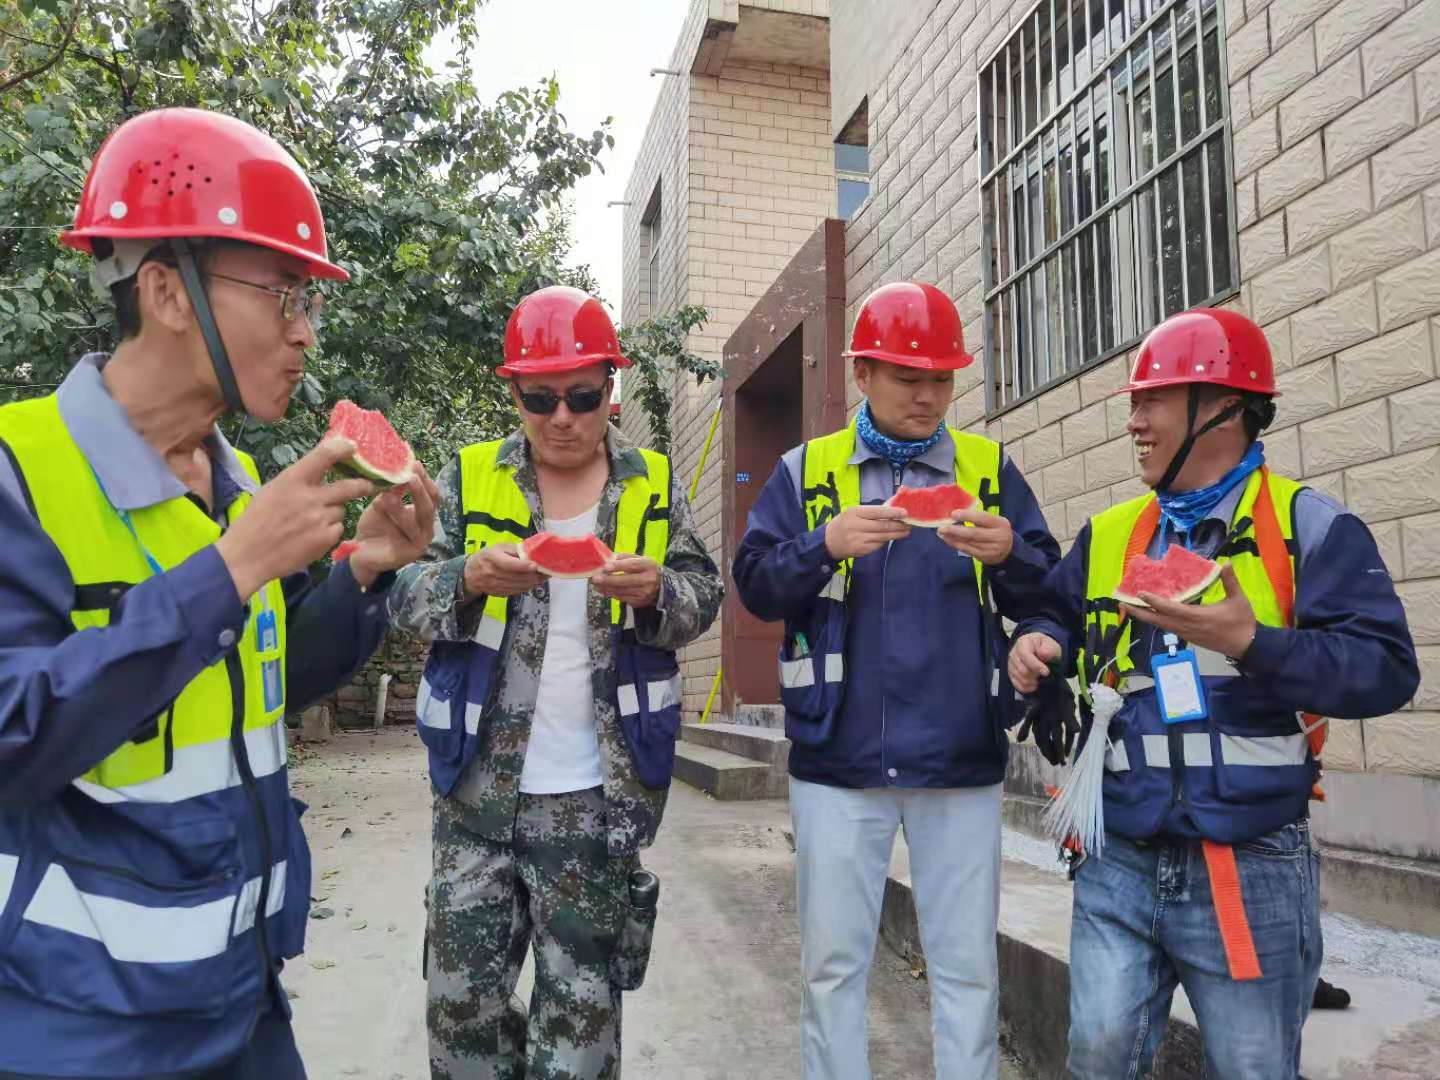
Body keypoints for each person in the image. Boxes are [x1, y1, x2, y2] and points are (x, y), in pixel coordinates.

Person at [0, 107, 439, 1079]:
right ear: (165, 289)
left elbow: (262, 686)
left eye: (308, 302)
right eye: (283, 296)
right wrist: (230, 573)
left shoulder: (235, 487)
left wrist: (363, 570)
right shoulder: (16, 473)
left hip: (243, 1000)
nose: (305, 333)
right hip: (81, 1027)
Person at [1009, 308, 1419, 1079]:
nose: (1133, 422)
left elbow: (1387, 668)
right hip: (1119, 851)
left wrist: (1252, 642)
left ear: (1223, 409)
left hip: (1251, 861)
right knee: (1096, 1054)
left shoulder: (1310, 527)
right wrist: (1037, 642)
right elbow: (1052, 610)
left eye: (1151, 402)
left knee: (1254, 1068)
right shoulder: (1111, 533)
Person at [387, 284, 723, 1080]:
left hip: (597, 804)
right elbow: (402, 596)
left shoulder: (653, 482)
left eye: (582, 396)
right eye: (540, 399)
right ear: (514, 393)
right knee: (461, 1027)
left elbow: (704, 593)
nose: (563, 417)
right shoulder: (471, 476)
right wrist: (466, 579)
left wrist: (659, 594)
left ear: (610, 385)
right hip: (475, 799)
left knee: (579, 1035)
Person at [732, 281, 1061, 1080]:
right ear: (862, 375)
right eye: (909, 378)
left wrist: (1012, 557)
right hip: (839, 760)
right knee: (832, 970)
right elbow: (755, 587)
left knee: (967, 969)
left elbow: (1051, 593)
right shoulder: (806, 472)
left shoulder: (988, 469)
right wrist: (823, 545)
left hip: (960, 758)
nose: (928, 396)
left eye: (942, 380)